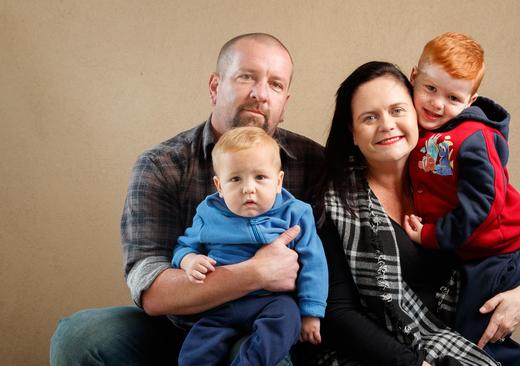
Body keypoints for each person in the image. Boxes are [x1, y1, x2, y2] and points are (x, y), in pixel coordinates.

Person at [50, 33, 325, 365]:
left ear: (285, 102)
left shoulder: (314, 164)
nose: (260, 94)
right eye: (246, 77)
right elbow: (149, 286)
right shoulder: (162, 165)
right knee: (79, 336)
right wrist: (254, 272)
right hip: (181, 324)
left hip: (269, 321)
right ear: (214, 87)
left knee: (266, 352)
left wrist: (309, 310)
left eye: (276, 85)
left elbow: (325, 264)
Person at [315, 61, 520, 366]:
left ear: (417, 114)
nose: (387, 124)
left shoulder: (453, 181)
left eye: (397, 110)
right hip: (389, 358)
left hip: (469, 343)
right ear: (352, 131)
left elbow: (495, 247)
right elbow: (338, 314)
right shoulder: (336, 205)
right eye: (369, 117)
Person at [403, 32, 520, 365]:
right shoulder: (423, 131)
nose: (436, 104)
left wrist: (431, 234)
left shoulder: (473, 138)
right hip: (474, 251)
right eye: (430, 89)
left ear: (471, 101)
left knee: (479, 338)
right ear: (414, 76)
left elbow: (483, 208)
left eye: (452, 98)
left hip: (497, 253)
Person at [172, 126, 327, 365]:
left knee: (285, 321)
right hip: (222, 300)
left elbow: (314, 263)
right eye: (235, 179)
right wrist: (189, 260)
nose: (248, 188)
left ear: (278, 181)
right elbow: (184, 246)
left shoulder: (295, 213)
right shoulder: (208, 213)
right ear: (219, 186)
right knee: (197, 346)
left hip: (273, 299)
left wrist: (311, 313)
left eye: (260, 177)